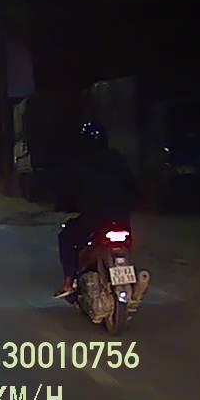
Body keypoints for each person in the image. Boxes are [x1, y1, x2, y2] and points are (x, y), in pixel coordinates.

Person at [54, 123, 138, 298]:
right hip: (121, 218)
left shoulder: (79, 163)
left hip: (93, 219)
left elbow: (68, 191)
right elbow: (133, 185)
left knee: (66, 237)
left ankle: (69, 281)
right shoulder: (117, 159)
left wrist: (64, 205)